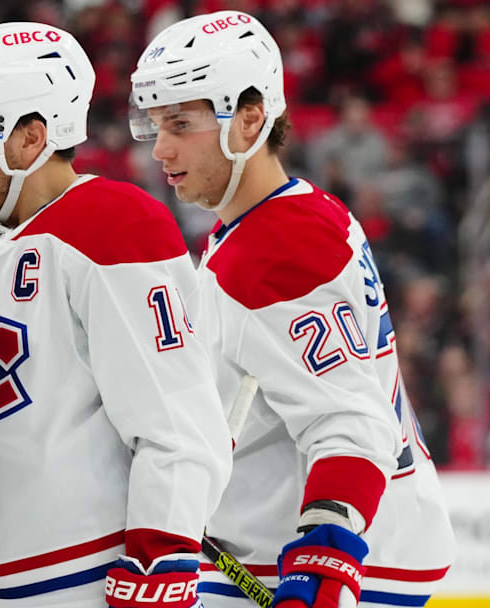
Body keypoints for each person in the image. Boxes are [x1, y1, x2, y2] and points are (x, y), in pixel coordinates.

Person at [128, 11, 456, 608]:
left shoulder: (281, 246)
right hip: (314, 549)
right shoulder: (289, 212)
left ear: (250, 119)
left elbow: (350, 424)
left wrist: (325, 557)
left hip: (333, 566)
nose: (161, 148)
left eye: (180, 123)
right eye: (155, 125)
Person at [0, 22, 234, 608]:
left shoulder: (113, 227)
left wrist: (161, 549)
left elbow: (178, 423)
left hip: (67, 586)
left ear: (31, 139)